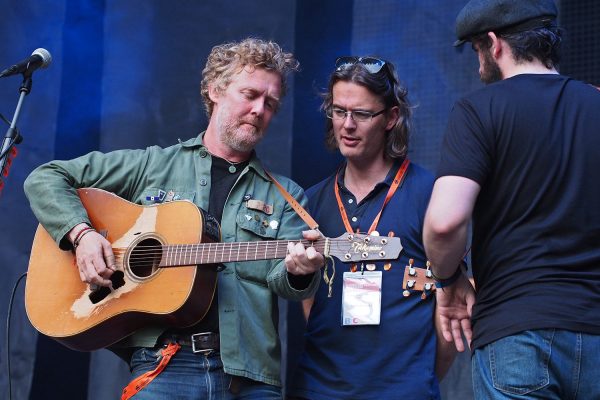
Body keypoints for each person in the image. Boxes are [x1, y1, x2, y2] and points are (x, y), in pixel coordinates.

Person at [24, 37, 325, 399]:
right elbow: (46, 177)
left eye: (271, 103)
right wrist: (82, 234)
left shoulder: (284, 195)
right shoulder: (153, 165)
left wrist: (298, 271)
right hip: (164, 364)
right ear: (216, 90)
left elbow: (285, 281)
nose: (260, 109)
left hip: (248, 374)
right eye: (250, 94)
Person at [423, 0, 600, 398]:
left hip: (517, 337)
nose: (477, 62)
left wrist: (448, 280)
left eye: (474, 50)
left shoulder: (478, 110)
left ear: (493, 43)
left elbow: (444, 222)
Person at [287, 56, 456, 400]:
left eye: (362, 114)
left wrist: (416, 380)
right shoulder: (311, 201)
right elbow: (309, 301)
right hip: (319, 389)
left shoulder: (429, 193)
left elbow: (453, 298)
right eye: (338, 111)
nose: (347, 125)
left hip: (403, 391)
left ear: (391, 117)